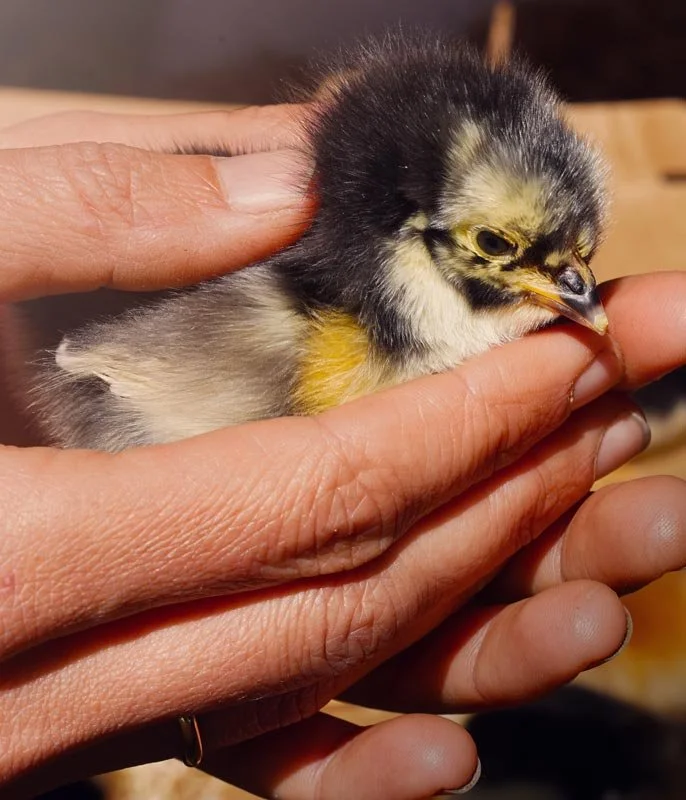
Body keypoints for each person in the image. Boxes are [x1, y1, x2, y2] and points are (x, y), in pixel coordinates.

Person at [1, 104, 685, 800]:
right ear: (405, 229)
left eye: (578, 256)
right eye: (496, 245)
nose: (576, 284)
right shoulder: (296, 324)